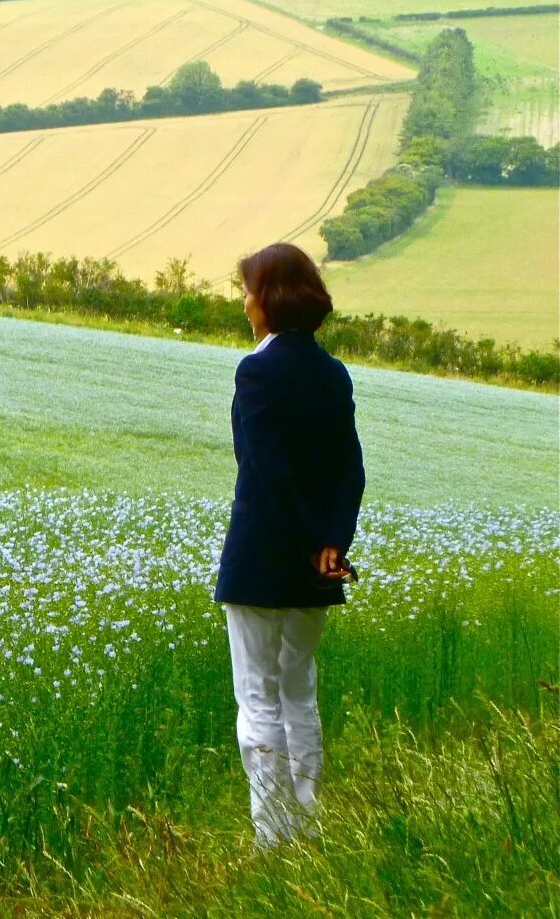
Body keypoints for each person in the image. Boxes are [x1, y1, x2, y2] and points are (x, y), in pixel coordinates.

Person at [216, 242, 365, 851]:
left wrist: (307, 543)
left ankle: (272, 838)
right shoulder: (332, 372)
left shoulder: (258, 369)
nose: (245, 300)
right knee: (298, 692)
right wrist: (331, 543)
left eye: (248, 289)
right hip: (316, 566)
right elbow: (349, 468)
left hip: (262, 558)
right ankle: (305, 825)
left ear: (268, 299)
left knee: (257, 698)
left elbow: (267, 472)